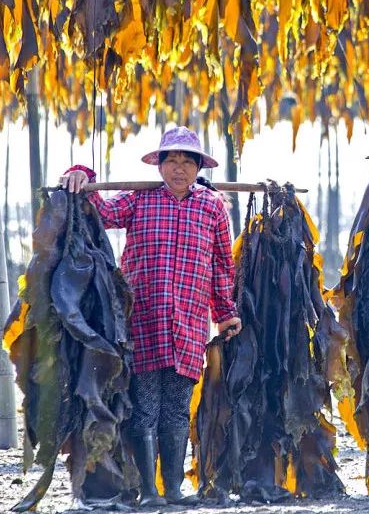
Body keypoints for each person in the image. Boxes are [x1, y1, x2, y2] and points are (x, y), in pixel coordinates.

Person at [60, 126, 241, 506]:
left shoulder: (211, 207)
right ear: (159, 166)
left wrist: (225, 312)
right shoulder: (139, 200)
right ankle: (149, 491)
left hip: (189, 322)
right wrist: (82, 175)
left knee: (176, 408)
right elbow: (101, 212)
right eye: (171, 160)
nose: (179, 168)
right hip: (143, 319)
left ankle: (172, 489)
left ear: (198, 168)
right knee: (144, 407)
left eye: (187, 162)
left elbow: (222, 266)